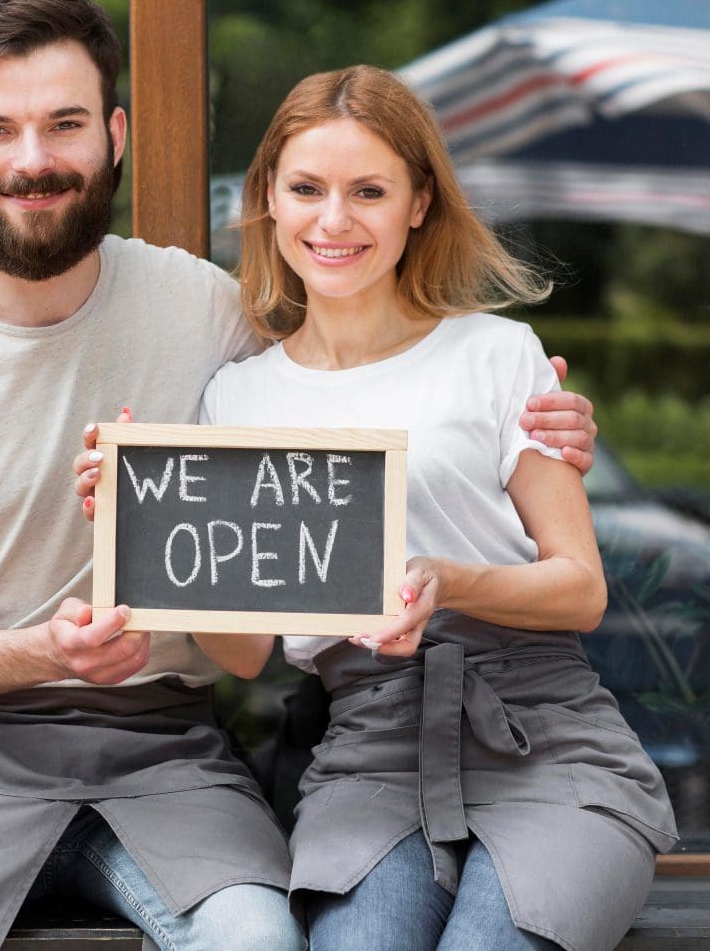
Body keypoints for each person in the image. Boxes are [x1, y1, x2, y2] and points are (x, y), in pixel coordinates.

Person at [0, 0, 597, 951]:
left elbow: (357, 364)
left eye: (64, 123)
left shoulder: (211, 310)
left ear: (114, 134)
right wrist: (41, 652)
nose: (32, 159)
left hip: (171, 749)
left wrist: (530, 413)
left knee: (258, 939)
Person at [78, 65, 677, 951]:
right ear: (270, 202)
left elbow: (581, 588)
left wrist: (448, 579)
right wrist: (141, 522)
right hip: (371, 753)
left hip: (548, 740)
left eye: (369, 191)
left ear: (419, 204)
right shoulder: (237, 398)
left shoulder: (499, 355)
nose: (334, 221)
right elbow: (244, 653)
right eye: (308, 189)